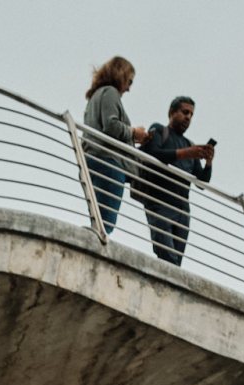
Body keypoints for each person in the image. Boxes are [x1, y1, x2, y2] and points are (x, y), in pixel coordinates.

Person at [135, 97, 214, 267]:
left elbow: (202, 182)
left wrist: (208, 161)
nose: (188, 118)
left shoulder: (189, 144)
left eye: (191, 115)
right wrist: (185, 153)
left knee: (176, 263)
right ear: (172, 112)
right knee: (167, 255)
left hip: (182, 210)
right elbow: (153, 153)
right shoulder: (158, 129)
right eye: (185, 112)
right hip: (160, 202)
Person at [82, 57, 145, 234]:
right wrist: (134, 132)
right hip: (108, 162)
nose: (129, 88)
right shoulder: (110, 92)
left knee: (98, 217)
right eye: (129, 81)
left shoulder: (96, 96)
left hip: (93, 159)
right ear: (121, 75)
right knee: (105, 224)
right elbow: (111, 126)